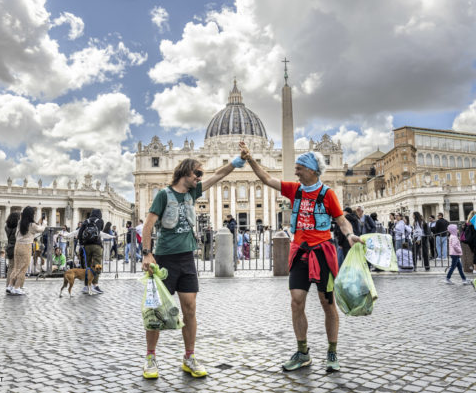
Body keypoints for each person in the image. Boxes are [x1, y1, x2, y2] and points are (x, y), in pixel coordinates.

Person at [241, 142, 362, 373]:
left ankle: (332, 351)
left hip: (322, 253)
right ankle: (303, 352)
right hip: (300, 252)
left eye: (299, 168)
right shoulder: (294, 190)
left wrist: (350, 235)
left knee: (327, 303)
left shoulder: (327, 194)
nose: (295, 172)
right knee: (296, 302)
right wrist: (250, 159)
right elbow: (267, 179)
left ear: (312, 170)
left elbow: (341, 220)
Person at [141, 156, 240, 380]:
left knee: (190, 310)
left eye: (201, 174)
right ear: (186, 172)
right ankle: (150, 357)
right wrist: (147, 254)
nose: (200, 177)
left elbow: (219, 175)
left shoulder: (192, 193)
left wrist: (236, 162)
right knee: (156, 312)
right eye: (197, 173)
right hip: (164, 259)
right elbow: (147, 225)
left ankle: (189, 357)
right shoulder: (163, 195)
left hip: (187, 259)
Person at [8, 206, 44, 296]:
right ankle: (17, 287)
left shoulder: (20, 222)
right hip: (26, 247)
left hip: (17, 245)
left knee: (16, 267)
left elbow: (17, 234)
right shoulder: (31, 225)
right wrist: (45, 223)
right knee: (23, 268)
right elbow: (41, 229)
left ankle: (10, 285)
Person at [78, 209, 105, 293]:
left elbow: (80, 233)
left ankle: (86, 286)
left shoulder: (86, 221)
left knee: (87, 265)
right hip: (97, 245)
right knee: (97, 265)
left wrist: (81, 243)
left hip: (86, 246)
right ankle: (95, 285)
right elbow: (100, 231)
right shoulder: (100, 221)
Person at [4, 211, 20, 294]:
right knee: (16, 268)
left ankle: (8, 285)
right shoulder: (17, 228)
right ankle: (14, 285)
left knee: (10, 267)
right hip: (16, 246)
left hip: (9, 247)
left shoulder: (6, 227)